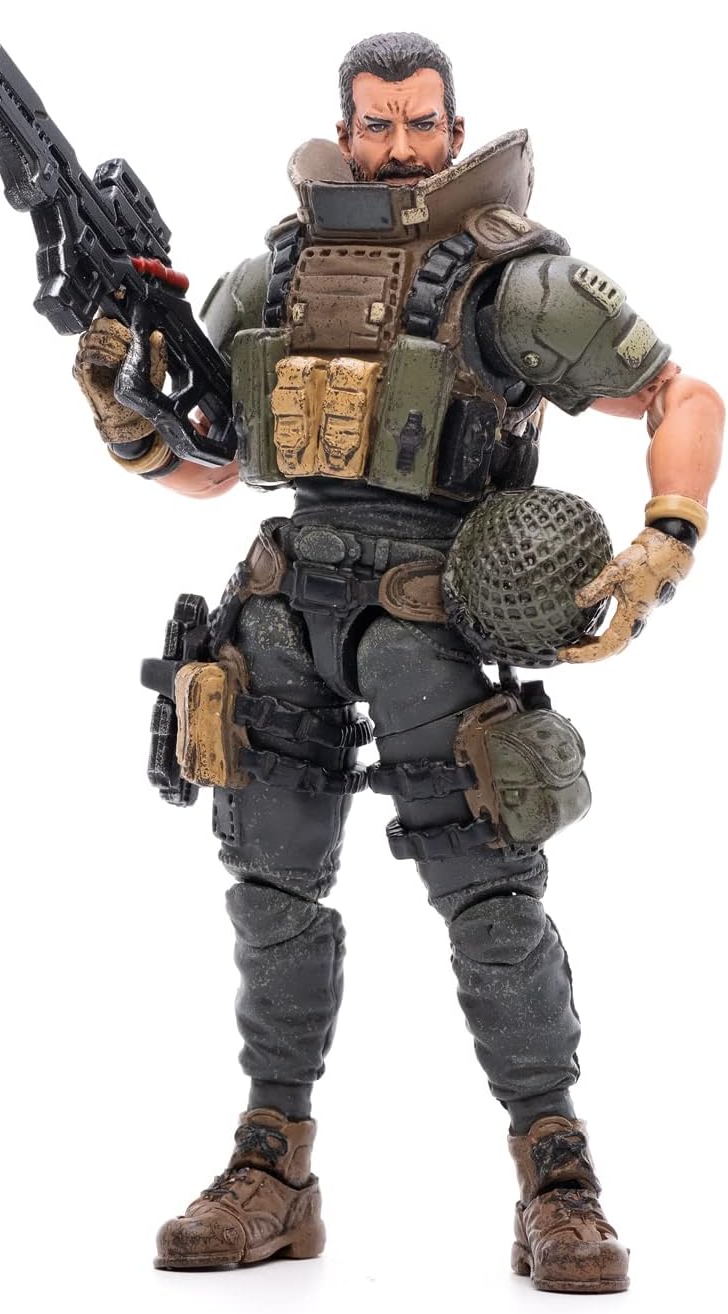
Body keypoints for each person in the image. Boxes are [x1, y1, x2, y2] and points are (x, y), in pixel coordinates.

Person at [74, 32, 722, 1293]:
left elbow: (679, 395)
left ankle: (558, 1175)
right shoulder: (270, 275)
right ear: (346, 129)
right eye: (377, 123)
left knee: (489, 897)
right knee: (270, 892)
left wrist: (665, 541)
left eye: (422, 122)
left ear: (454, 127)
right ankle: (272, 1168)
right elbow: (212, 469)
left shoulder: (512, 283)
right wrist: (124, 420)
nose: (401, 146)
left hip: (431, 615)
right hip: (282, 608)